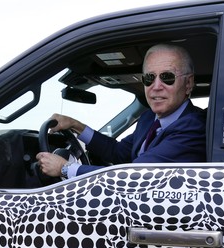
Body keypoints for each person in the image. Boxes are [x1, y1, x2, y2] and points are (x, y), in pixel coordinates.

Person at [36, 43, 206, 179]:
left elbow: (133, 177)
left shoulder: (193, 127)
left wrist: (65, 169)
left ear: (188, 84)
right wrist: (76, 125)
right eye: (149, 78)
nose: (156, 87)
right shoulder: (149, 118)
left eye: (167, 77)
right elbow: (118, 152)